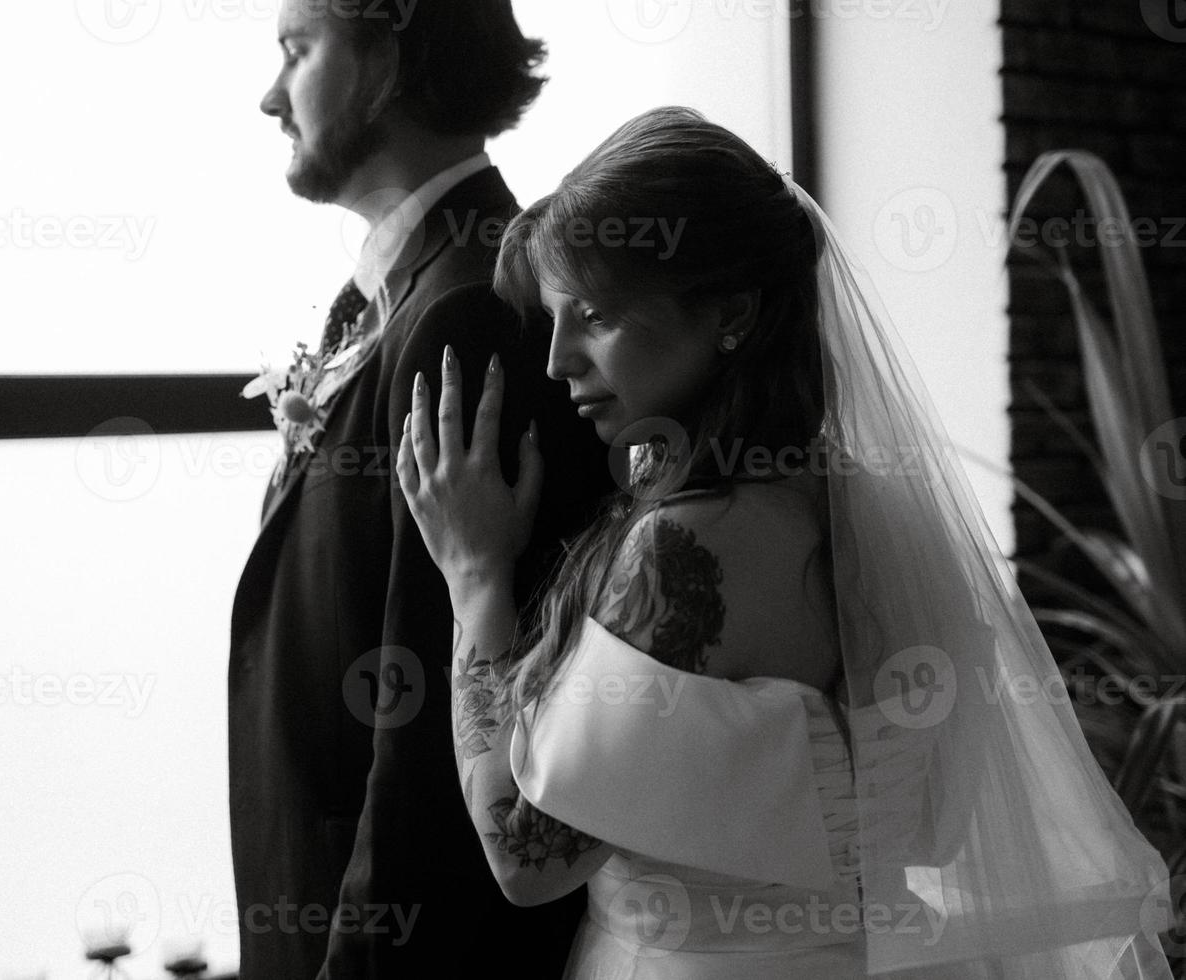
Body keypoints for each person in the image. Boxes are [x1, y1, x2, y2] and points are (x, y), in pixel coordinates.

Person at [397, 105, 1175, 978]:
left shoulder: (687, 547)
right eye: (554, 320)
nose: (557, 361)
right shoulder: (878, 510)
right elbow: (941, 816)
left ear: (730, 313)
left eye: (595, 316)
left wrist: (474, 578)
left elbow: (525, 859)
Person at [228, 1, 612, 977]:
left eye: (294, 51)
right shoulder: (396, 291)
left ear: (385, 58)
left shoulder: (471, 307)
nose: (269, 96)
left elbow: (431, 719)